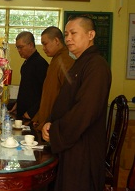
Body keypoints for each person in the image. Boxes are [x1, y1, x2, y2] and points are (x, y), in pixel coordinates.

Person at [42, 16, 112, 191]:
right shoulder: (79, 63)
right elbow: (64, 102)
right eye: (66, 34)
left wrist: (56, 130)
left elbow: (85, 110)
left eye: (73, 33)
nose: (68, 38)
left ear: (91, 34)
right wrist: (49, 122)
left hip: (83, 147)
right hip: (72, 142)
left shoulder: (97, 66)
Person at [32, 26, 74, 130]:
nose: (43, 48)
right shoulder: (56, 60)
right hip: (46, 122)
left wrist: (51, 122)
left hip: (54, 124)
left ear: (56, 41)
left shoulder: (64, 61)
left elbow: (68, 97)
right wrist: (39, 116)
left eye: (45, 44)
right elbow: (49, 93)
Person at [9, 31, 48, 120]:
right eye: (17, 47)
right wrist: (17, 104)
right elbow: (25, 88)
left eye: (21, 47)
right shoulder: (27, 62)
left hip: (32, 114)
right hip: (23, 111)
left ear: (30, 45)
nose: (18, 50)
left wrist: (31, 112)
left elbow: (45, 93)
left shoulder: (40, 64)